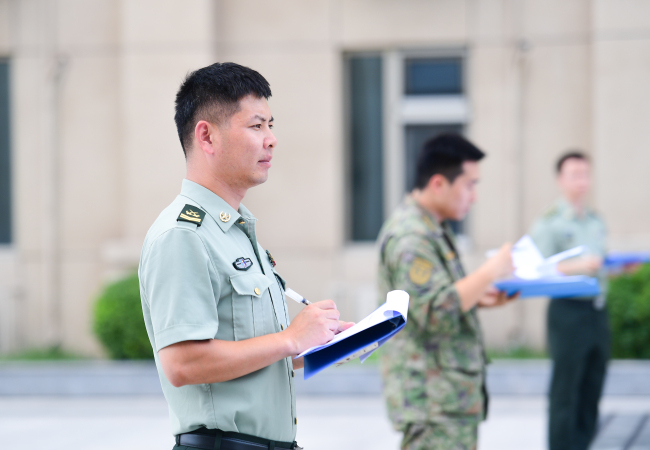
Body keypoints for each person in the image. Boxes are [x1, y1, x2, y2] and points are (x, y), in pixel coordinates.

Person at [138, 62, 353, 450]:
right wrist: (289, 339)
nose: (271, 139)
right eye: (256, 126)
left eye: (271, 125)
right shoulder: (183, 235)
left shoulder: (234, 232)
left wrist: (320, 344)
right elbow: (183, 364)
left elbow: (248, 358)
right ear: (207, 136)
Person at [377, 133, 517, 450]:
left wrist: (480, 298)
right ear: (439, 183)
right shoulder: (411, 237)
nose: (474, 196)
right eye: (470, 185)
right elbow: (434, 314)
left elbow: (438, 298)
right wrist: (490, 270)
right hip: (432, 404)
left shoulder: (430, 227)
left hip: (445, 400)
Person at [529, 151, 608, 450]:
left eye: (586, 174)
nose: (582, 181)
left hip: (597, 311)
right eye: (575, 174)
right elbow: (535, 269)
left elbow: (599, 261)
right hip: (568, 312)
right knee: (566, 389)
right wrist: (577, 266)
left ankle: (583, 444)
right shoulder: (549, 223)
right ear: (560, 180)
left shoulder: (595, 220)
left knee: (592, 387)